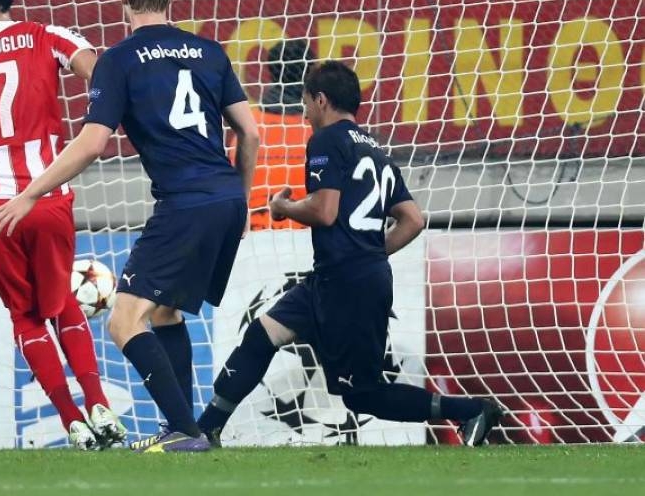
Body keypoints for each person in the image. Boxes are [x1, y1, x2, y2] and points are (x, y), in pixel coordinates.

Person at [0, 0, 260, 453]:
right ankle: (184, 428)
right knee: (165, 313)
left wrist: (30, 193)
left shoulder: (119, 60)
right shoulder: (210, 51)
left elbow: (93, 144)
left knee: (122, 320)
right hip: (225, 196)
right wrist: (241, 200)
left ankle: (186, 432)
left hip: (184, 202)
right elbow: (250, 132)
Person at [197, 61, 506, 447]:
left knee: (364, 395)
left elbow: (324, 211)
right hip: (335, 279)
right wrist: (371, 254)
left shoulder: (326, 141)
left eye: (305, 104)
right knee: (261, 335)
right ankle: (205, 429)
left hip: (345, 284)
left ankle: (470, 410)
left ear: (321, 100)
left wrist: (283, 208)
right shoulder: (376, 150)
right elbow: (412, 219)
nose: (304, 114)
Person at [0, 0, 125, 451]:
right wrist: (93, 123)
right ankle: (98, 401)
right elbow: (100, 73)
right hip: (45, 195)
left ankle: (71, 421)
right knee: (61, 302)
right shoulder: (46, 35)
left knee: (25, 315)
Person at [246, 38, 315, 231]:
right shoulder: (318, 131)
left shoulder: (247, 128)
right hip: (306, 234)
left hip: (253, 232)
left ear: (271, 71)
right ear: (309, 74)